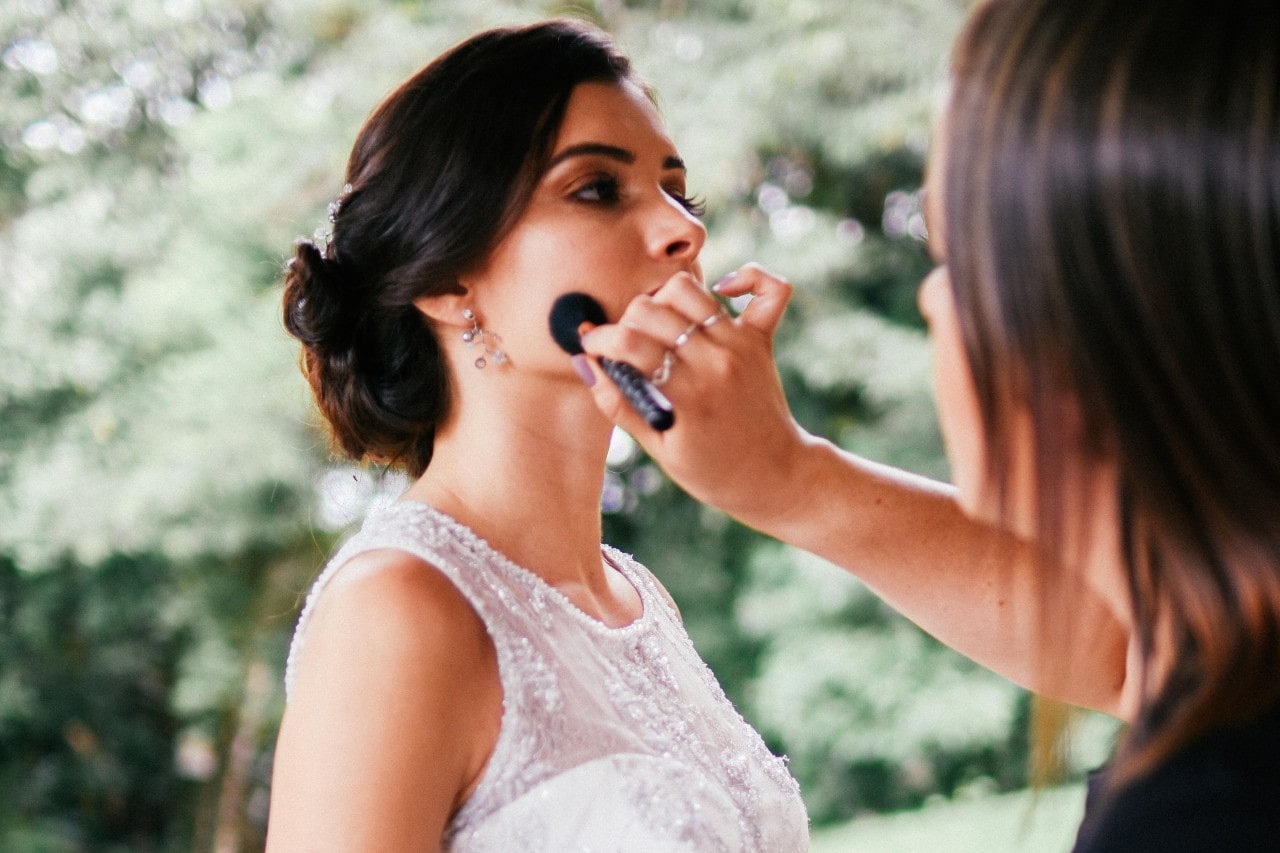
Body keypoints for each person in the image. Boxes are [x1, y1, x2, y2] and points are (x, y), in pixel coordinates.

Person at [577, 0, 1280, 848]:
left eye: (952, 257)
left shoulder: (1201, 812)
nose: (683, 232)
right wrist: (790, 479)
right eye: (595, 188)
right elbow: (1125, 649)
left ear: (1098, 317)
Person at [267, 19, 808, 852]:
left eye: (677, 191)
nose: (683, 232)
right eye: (597, 188)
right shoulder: (398, 609)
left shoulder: (637, 597)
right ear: (448, 278)